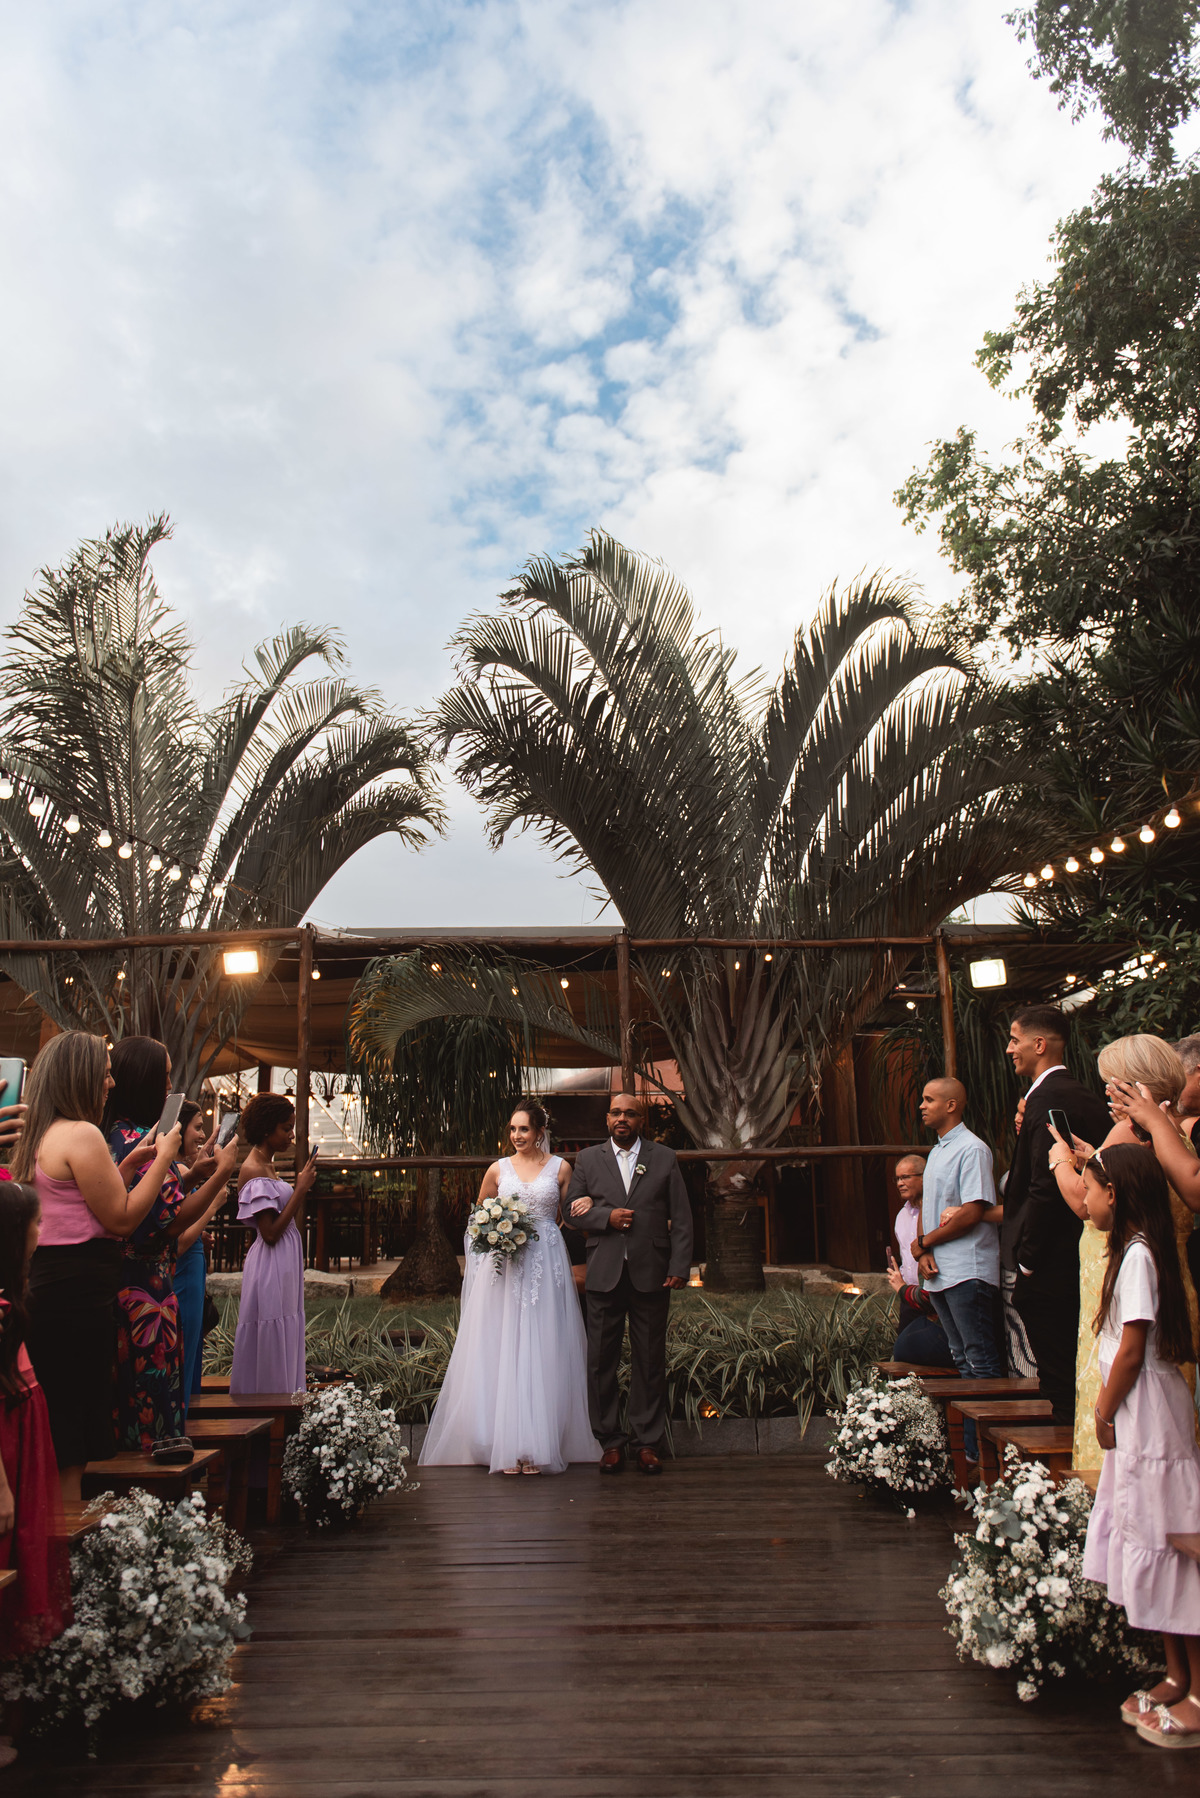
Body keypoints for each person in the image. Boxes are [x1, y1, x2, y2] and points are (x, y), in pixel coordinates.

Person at [10, 1032, 181, 1499]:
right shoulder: (82, 1134)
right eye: (104, 1074)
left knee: (57, 1427)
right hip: (77, 1300)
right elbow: (121, 1219)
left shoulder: (41, 1134)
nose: (111, 1083)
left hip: (48, 1288)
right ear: (80, 1076)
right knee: (73, 1442)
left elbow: (74, 1203)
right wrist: (165, 1158)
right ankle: (66, 1536)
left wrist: (126, 1167)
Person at [1079, 1144, 1200, 1748]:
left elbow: (1131, 1350)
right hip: (1137, 1416)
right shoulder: (1130, 1251)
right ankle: (1177, 1674)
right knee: (1149, 1539)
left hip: (1147, 1415)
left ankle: (1198, 1691)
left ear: (1116, 1192)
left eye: (1090, 1187)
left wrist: (1103, 1413)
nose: (1084, 1200)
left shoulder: (1140, 1257)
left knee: (1173, 1545)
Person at [420, 1101, 598, 1475]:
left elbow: (571, 1219)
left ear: (540, 1132)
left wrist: (585, 1202)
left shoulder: (561, 1168)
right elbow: (477, 1219)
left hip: (545, 1260)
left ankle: (536, 1445)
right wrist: (493, 1235)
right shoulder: (497, 1169)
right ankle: (502, 1442)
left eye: (524, 1129)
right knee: (504, 1343)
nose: (517, 1136)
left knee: (543, 1343)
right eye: (513, 1129)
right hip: (506, 1265)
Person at [1047, 1035, 1199, 1467]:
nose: (1107, 1092)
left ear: (1131, 1086)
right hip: (1174, 1280)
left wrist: (1060, 1160)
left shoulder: (1128, 1131)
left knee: (1121, 1389)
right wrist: (1095, 1157)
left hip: (1120, 1279)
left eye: (1110, 1083)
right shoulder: (1174, 1134)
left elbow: (1086, 1203)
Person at [104, 1038, 239, 1450]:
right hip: (145, 1296)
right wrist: (222, 1174)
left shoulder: (117, 1135)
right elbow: (170, 1221)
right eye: (163, 1076)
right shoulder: (139, 1141)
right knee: (151, 1406)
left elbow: (158, 1200)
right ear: (143, 1080)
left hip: (131, 1287)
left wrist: (194, 1174)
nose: (169, 1086)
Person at [566, 1093, 693, 1475]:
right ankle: (610, 1442)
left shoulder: (664, 1158)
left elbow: (682, 1217)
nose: (622, 1118)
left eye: (630, 1113)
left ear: (641, 1120)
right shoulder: (589, 1159)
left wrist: (680, 1266)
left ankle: (647, 1442)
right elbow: (572, 1212)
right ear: (607, 1119)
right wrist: (606, 1217)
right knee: (599, 1362)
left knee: (649, 1360)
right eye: (616, 1113)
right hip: (603, 1274)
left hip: (651, 1273)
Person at [1002, 1005, 1111, 1425]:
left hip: (1053, 1258)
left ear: (1039, 1044)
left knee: (1060, 1376)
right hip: (1076, 1251)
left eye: (1015, 1040)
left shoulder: (1047, 1098)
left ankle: (1067, 1451)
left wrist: (1028, 1259)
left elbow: (1044, 1186)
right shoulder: (1075, 1092)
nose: (1009, 1049)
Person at [0, 1180, 71, 1704]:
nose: (41, 1231)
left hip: (21, 1443)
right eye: (35, 1222)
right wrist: (1, 1486)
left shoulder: (12, 1301)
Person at [911, 1077, 1003, 1462]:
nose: (922, 1105)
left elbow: (972, 1211)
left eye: (929, 1099)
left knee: (980, 1360)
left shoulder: (972, 1148)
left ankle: (992, 1456)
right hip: (941, 1272)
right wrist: (921, 1252)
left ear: (951, 1105)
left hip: (969, 1269)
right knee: (962, 1359)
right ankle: (971, 1454)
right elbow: (927, 1206)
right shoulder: (937, 1151)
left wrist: (927, 1241)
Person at [229, 1094, 316, 1396]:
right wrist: (300, 1190)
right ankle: (268, 1400)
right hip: (270, 1262)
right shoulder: (254, 1168)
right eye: (286, 1128)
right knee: (271, 1328)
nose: (292, 1135)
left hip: (283, 1261)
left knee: (285, 1325)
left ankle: (285, 1398)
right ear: (267, 1129)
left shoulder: (268, 1164)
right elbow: (269, 1232)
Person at [172, 1101, 234, 1416]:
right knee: (185, 1355)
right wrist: (212, 1206)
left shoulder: (181, 1170)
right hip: (182, 1277)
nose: (201, 1135)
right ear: (179, 1130)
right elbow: (180, 1241)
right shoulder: (178, 1172)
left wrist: (201, 1235)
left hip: (191, 1272)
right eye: (197, 1127)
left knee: (190, 1352)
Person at [886, 1155, 953, 1367]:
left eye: (906, 1177)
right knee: (904, 1358)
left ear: (924, 1178)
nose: (900, 1183)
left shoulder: (940, 1211)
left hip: (935, 1294)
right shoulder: (901, 1216)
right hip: (909, 1296)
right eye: (897, 1179)